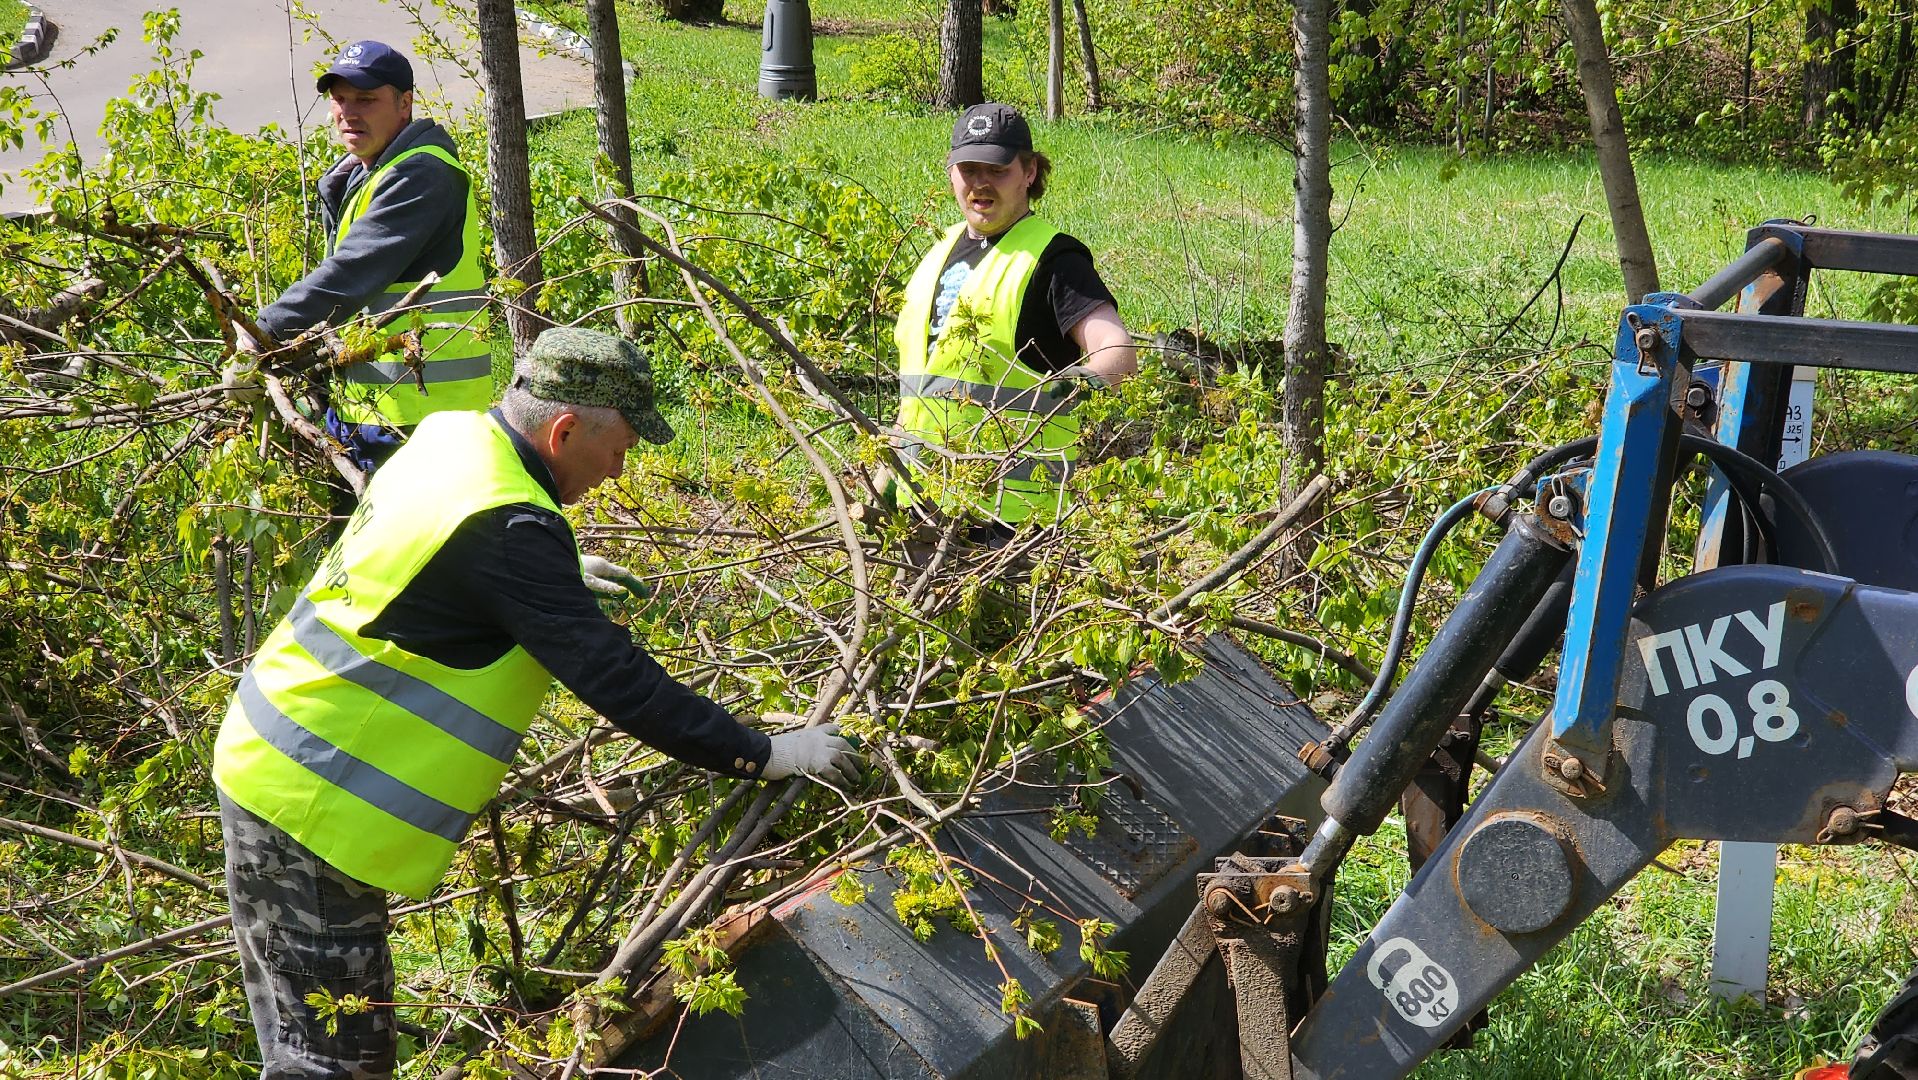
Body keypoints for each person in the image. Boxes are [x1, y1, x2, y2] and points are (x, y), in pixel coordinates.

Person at [211, 327, 862, 1078]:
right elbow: (617, 679)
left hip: (281, 758)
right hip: (309, 800)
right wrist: (770, 753)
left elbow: (426, 535)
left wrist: (547, 571)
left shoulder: (454, 440)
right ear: (562, 430)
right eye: (618, 450)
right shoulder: (509, 528)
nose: (619, 472)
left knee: (316, 1044)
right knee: (331, 1061)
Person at [240, 40, 492, 476]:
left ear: (404, 103)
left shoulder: (423, 173)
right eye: (339, 99)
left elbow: (351, 272)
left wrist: (260, 335)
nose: (348, 112)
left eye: (366, 99)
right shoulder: (368, 173)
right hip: (373, 408)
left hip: (420, 416)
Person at [890, 101, 1138, 528]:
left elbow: (1118, 352)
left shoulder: (1053, 259)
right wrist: (885, 477)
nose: (980, 184)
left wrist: (1074, 388)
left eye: (997, 170)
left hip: (1012, 522)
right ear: (950, 172)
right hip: (922, 505)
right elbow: (921, 387)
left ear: (1029, 173)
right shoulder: (938, 251)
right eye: (969, 169)